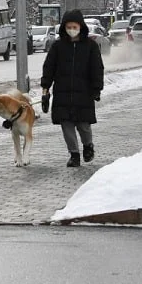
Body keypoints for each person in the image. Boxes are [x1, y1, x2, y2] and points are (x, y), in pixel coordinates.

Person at [40, 9, 104, 167]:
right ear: (64, 27)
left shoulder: (91, 46)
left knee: (84, 125)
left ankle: (88, 146)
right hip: (62, 93)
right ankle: (74, 154)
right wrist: (45, 87)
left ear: (80, 27)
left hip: (84, 93)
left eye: (74, 26)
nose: (71, 30)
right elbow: (49, 67)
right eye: (69, 26)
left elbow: (97, 68)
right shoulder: (58, 47)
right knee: (66, 125)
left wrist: (96, 88)